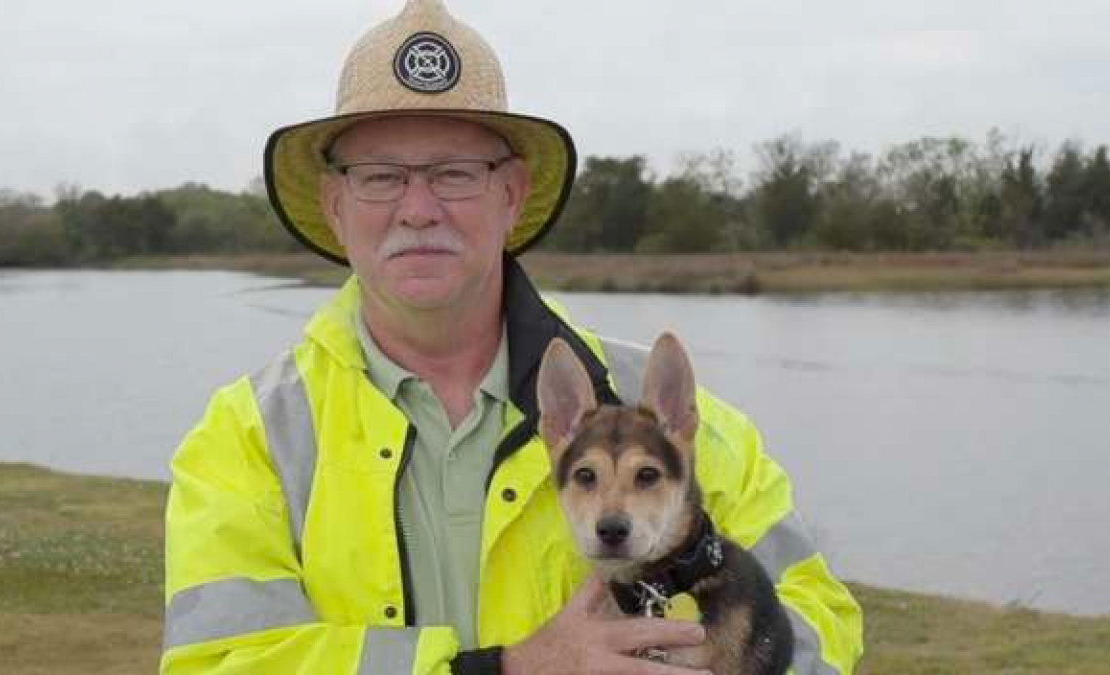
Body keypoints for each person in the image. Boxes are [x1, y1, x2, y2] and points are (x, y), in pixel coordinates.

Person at [161, 1, 863, 673]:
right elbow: (219, 664)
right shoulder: (247, 438)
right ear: (335, 205)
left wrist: (720, 659)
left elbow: (823, 621)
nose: (418, 208)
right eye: (380, 177)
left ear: (514, 193)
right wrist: (507, 669)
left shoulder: (654, 412)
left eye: (455, 174)